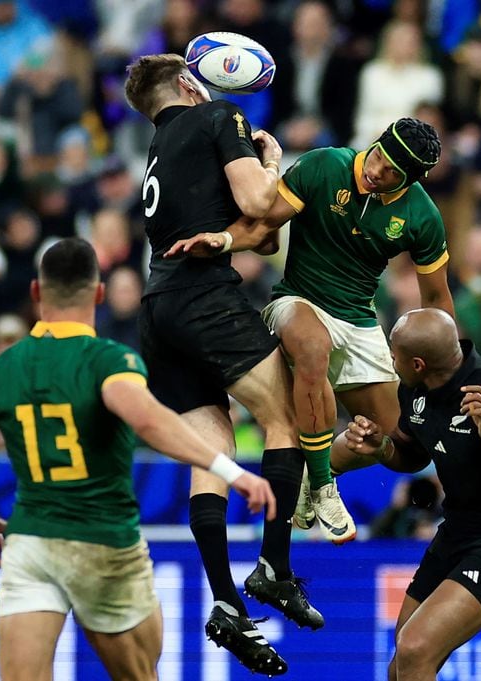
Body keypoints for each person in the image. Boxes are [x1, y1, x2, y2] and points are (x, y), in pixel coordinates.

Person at [0, 238, 276, 681]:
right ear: (97, 294)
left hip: (32, 545)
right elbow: (148, 421)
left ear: (37, 293)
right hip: (105, 544)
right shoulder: (109, 361)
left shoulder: (5, 368)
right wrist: (229, 471)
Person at [168, 117, 455, 543]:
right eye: (378, 156)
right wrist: (224, 241)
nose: (377, 170)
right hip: (296, 301)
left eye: (393, 171)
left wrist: (449, 370)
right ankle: (323, 486)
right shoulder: (324, 165)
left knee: (410, 449)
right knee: (312, 345)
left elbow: (436, 301)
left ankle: (319, 474)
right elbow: (265, 224)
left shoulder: (421, 215)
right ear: (374, 143)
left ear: (411, 180)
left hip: (358, 319)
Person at [124, 53, 313, 674]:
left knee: (214, 452)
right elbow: (261, 202)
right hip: (205, 294)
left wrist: (250, 224)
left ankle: (227, 603)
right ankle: (275, 569)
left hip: (158, 307)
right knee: (284, 417)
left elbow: (259, 235)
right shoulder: (217, 116)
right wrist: (275, 163)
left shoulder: (158, 152)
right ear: (187, 84)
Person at [334, 308, 481, 681]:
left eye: (395, 356)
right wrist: (381, 448)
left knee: (415, 648)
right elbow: (412, 454)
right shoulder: (414, 389)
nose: (392, 364)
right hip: (457, 532)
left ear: (419, 363)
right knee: (402, 665)